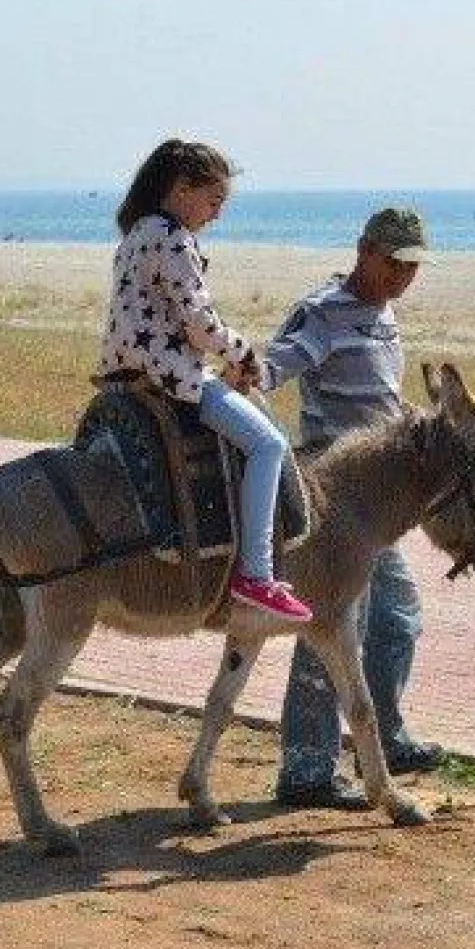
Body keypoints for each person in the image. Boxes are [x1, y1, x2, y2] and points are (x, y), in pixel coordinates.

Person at [253, 206, 444, 809]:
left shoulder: (386, 316)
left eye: (411, 266)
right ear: (363, 250)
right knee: (332, 626)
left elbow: (382, 401)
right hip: (332, 499)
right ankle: (306, 770)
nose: (401, 276)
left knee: (396, 616)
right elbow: (278, 366)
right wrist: (245, 374)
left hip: (379, 501)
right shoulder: (323, 311)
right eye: (392, 262)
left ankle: (384, 739)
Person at [97, 139, 312, 623]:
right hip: (170, 376)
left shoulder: (135, 234)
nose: (216, 215)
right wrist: (245, 355)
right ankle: (256, 574)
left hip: (125, 371)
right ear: (181, 189)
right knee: (269, 445)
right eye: (214, 201)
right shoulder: (172, 237)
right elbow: (200, 323)